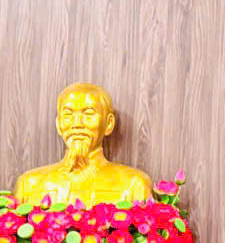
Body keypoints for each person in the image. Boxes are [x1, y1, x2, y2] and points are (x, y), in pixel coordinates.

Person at [15, 82, 151, 205]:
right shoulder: (28, 185)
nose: (77, 124)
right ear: (59, 124)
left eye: (88, 113)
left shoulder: (134, 185)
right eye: (68, 114)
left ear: (109, 123)